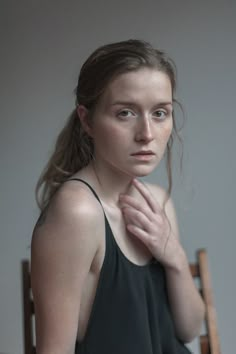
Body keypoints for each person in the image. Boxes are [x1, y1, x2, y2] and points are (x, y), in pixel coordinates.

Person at [31, 39, 205, 354]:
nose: (147, 133)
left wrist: (174, 257)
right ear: (86, 120)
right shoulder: (77, 211)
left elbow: (189, 328)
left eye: (160, 113)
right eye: (125, 113)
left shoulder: (158, 200)